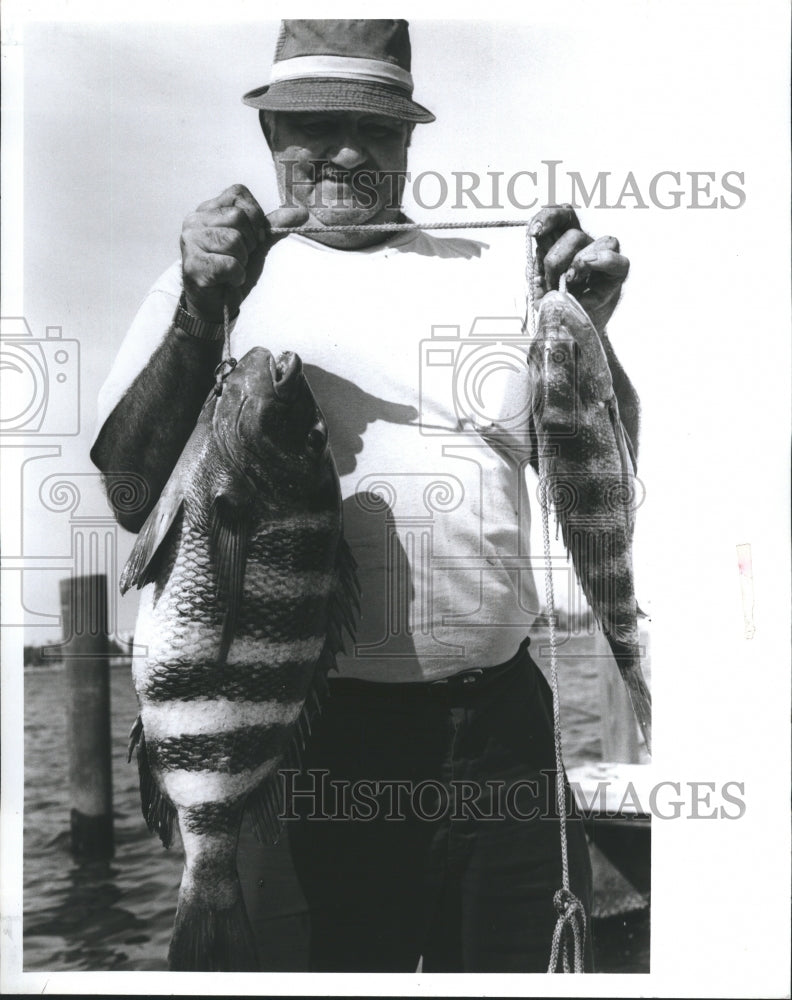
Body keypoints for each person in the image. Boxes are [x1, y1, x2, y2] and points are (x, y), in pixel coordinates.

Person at [91, 19, 637, 973]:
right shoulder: (215, 284)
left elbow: (608, 462)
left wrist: (585, 331)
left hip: (506, 728)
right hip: (313, 741)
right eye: (317, 124)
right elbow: (133, 491)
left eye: (377, 128)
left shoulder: (494, 271)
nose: (347, 150)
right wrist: (194, 305)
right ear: (269, 137)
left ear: (411, 140)